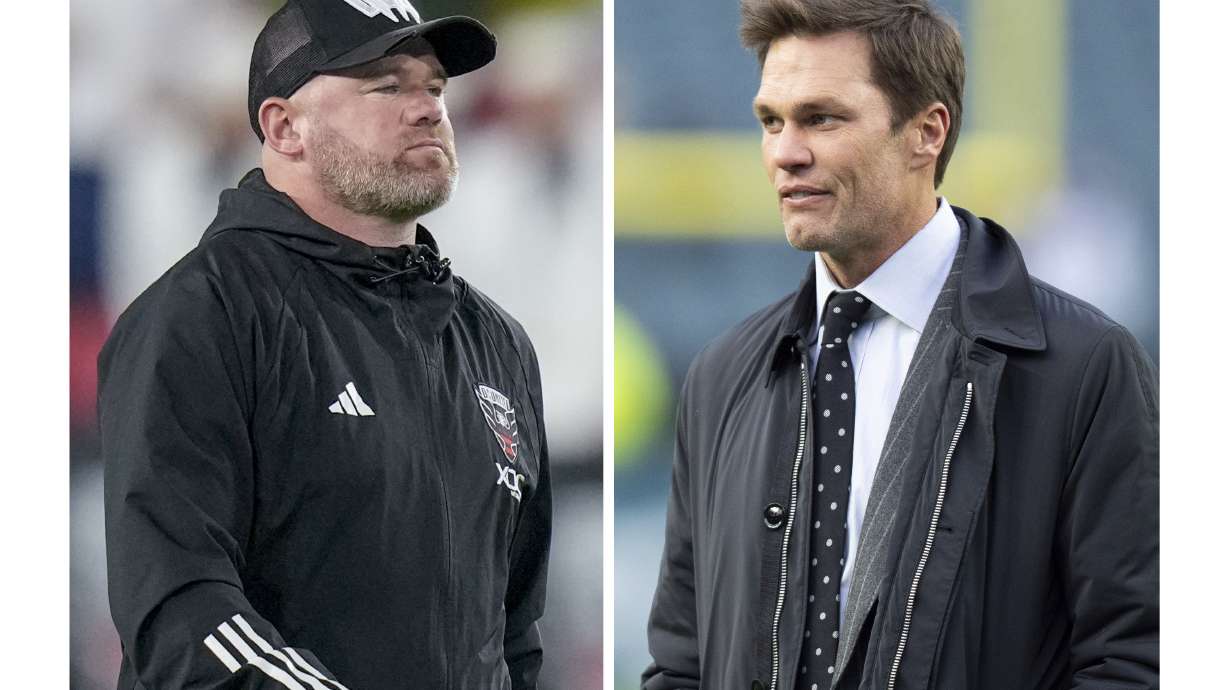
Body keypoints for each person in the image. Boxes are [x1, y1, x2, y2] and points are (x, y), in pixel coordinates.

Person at [641, 1, 1158, 689]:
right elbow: (681, 663)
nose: (785, 152)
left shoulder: (1083, 366)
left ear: (926, 133)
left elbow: (1130, 657)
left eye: (821, 118)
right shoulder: (720, 378)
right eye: (771, 120)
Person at [99, 2, 551, 688]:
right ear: (285, 128)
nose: (427, 108)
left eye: (434, 87)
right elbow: (179, 608)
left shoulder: (497, 345)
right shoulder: (202, 313)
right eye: (387, 85)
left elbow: (512, 635)